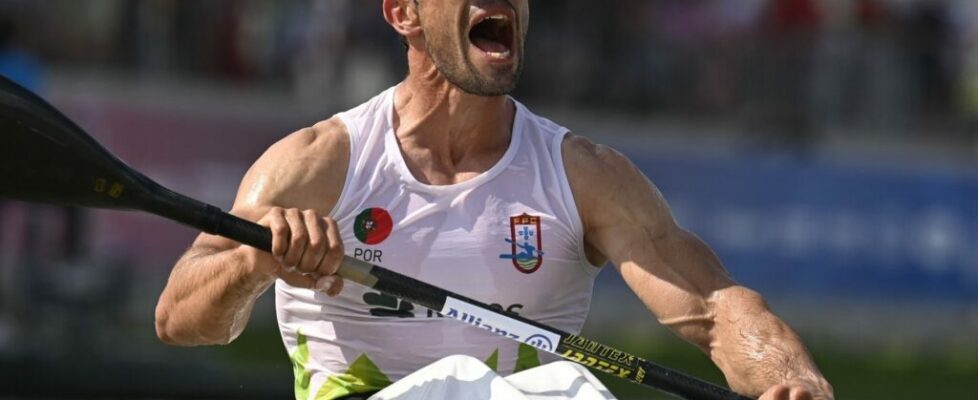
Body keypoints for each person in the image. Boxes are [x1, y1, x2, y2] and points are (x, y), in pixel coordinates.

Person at [154, 1, 834, 399]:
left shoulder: (583, 175)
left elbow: (717, 312)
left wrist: (794, 379)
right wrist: (252, 265)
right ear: (404, 13)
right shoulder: (318, 163)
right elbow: (180, 319)